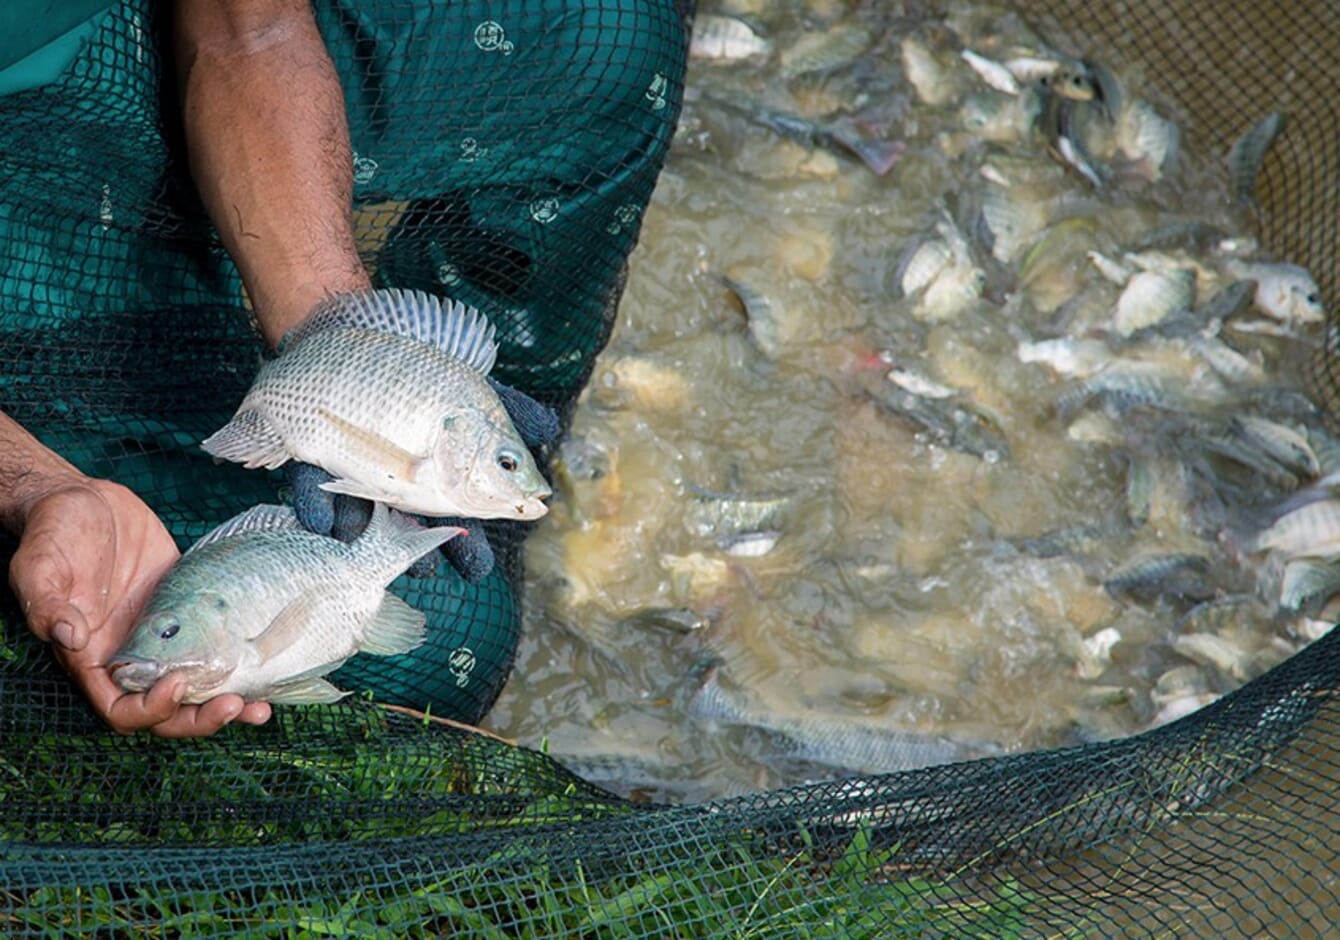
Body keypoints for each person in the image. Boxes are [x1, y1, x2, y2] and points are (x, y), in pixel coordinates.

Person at [0, 0, 687, 736]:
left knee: (605, 40)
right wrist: (33, 484)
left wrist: (336, 338)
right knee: (447, 635)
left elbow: (250, 28)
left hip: (129, 44)